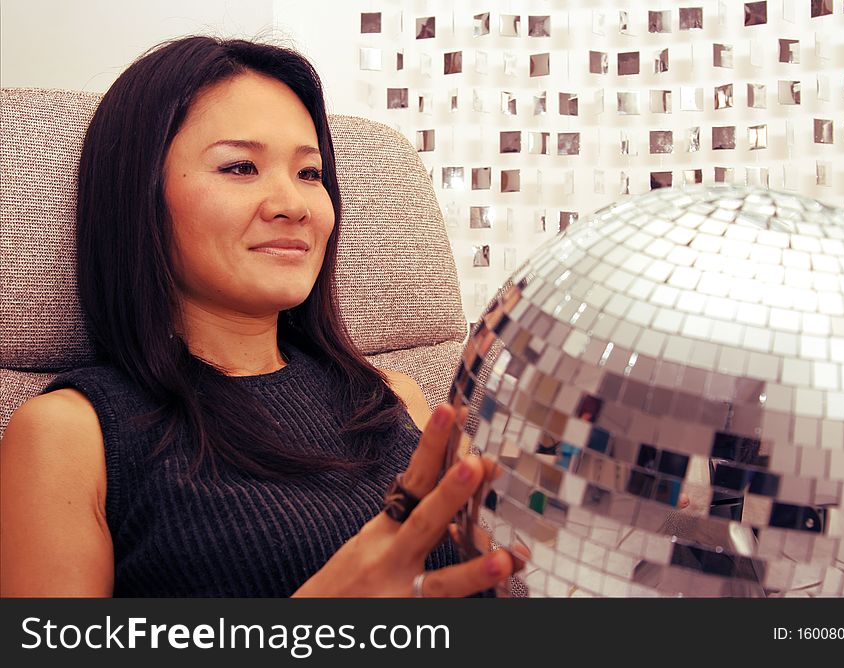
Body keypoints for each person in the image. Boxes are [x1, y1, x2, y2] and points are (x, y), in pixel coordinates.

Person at [0, 36, 518, 597]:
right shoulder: (69, 436)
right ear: (139, 195)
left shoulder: (396, 398)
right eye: (241, 166)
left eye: (310, 174)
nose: (293, 205)